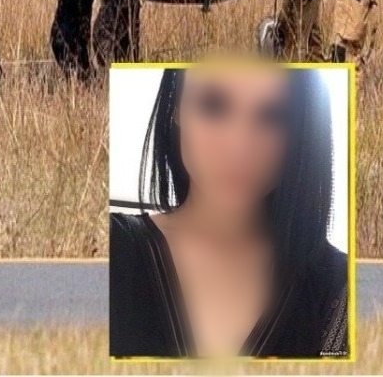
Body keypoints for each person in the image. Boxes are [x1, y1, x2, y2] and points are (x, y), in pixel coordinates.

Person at [109, 65, 348, 359]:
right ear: (176, 106)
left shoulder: (340, 290)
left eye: (274, 116)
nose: (240, 147)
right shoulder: (112, 250)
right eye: (214, 106)